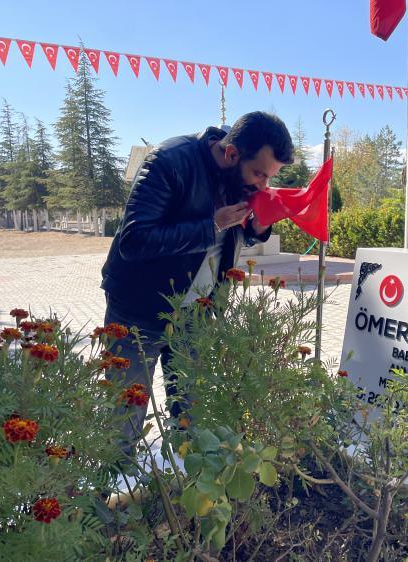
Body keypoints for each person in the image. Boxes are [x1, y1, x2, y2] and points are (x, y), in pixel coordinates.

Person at [100, 111, 293, 452]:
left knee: (193, 418)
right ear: (231, 154)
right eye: (259, 174)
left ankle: (186, 497)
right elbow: (134, 240)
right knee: (122, 422)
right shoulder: (170, 160)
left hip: (197, 318)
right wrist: (211, 225)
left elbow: (235, 235)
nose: (263, 185)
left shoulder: (240, 177)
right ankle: (100, 503)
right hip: (138, 312)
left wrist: (258, 227)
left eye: (270, 177)